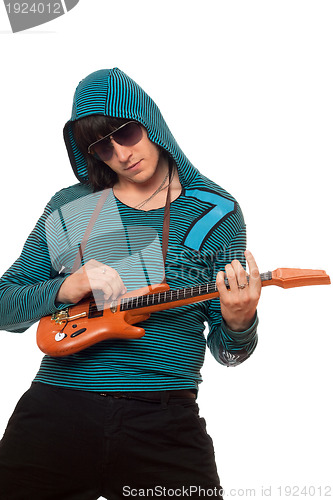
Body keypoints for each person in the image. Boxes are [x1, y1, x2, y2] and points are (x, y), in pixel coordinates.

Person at [0, 68, 261, 499]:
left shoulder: (214, 212)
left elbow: (230, 355)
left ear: (150, 121)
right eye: (101, 147)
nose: (120, 154)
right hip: (55, 409)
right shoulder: (73, 205)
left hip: (165, 419)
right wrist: (65, 288)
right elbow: (5, 306)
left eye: (127, 133)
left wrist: (239, 323)